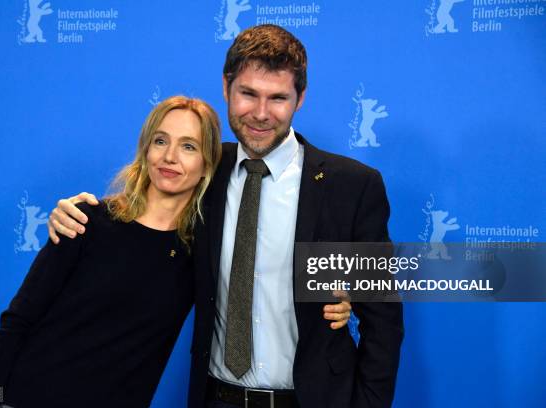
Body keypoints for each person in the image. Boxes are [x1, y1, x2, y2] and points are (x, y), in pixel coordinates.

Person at [49, 25, 402, 408]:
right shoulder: (202, 170)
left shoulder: (351, 186)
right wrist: (78, 216)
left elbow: (382, 318)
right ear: (226, 87)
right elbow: (140, 222)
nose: (261, 113)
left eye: (278, 98)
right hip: (216, 398)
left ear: (300, 99)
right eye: (248, 94)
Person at [0, 96, 222, 408]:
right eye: (161, 141)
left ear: (207, 165)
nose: (170, 156)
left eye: (189, 146)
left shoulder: (200, 252)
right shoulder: (85, 220)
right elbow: (17, 321)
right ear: (146, 150)